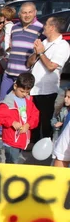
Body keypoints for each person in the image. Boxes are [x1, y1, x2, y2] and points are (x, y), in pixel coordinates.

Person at [27, 16, 70, 144]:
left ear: (52, 27)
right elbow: (29, 63)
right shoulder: (44, 42)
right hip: (34, 89)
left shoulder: (63, 46)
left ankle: (46, 145)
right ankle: (33, 142)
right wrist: (36, 52)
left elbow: (51, 66)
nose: (43, 27)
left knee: (46, 121)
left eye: (46, 24)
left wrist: (41, 53)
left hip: (47, 91)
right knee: (33, 118)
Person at [0, 2, 43, 102]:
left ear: (35, 13)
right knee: (3, 102)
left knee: (20, 106)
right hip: (9, 73)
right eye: (24, 12)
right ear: (19, 14)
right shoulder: (15, 27)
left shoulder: (40, 29)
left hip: (24, 76)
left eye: (30, 12)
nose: (27, 15)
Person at [0, 73, 39, 164]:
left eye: (27, 92)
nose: (24, 94)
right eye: (22, 91)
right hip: (11, 140)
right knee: (12, 163)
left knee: (15, 161)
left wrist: (28, 124)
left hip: (22, 139)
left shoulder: (28, 101)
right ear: (15, 86)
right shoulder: (7, 103)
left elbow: (35, 115)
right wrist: (12, 122)